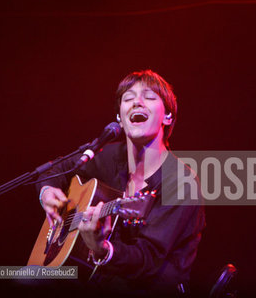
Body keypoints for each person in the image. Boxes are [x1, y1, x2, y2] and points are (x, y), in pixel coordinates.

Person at [37, 70, 205, 296]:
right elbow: (55, 170)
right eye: (128, 98)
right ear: (119, 118)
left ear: (168, 117)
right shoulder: (108, 155)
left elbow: (148, 260)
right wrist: (47, 192)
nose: (137, 102)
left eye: (149, 97)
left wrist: (102, 249)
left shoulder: (181, 183)